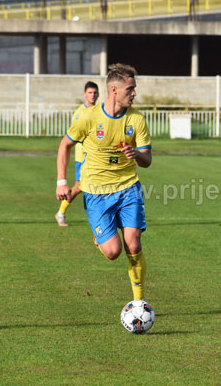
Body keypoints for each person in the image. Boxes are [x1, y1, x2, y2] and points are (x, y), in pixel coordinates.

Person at [56, 64, 152, 302]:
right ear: (114, 90)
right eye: (130, 89)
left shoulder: (137, 120)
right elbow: (65, 145)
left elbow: (147, 160)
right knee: (113, 252)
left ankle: (139, 302)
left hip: (128, 188)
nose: (134, 93)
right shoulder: (89, 117)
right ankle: (100, 239)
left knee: (133, 245)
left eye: (134, 88)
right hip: (96, 192)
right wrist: (61, 181)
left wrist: (136, 154)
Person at [55, 81, 99, 226]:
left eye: (95, 92)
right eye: (90, 92)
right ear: (85, 94)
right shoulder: (80, 113)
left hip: (94, 156)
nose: (93, 95)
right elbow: (74, 137)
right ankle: (61, 213)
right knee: (80, 186)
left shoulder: (98, 111)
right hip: (82, 156)